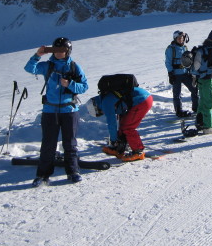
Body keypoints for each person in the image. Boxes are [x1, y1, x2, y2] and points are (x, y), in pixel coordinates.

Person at [24, 37, 88, 186]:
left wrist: (70, 84)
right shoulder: (48, 66)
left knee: (70, 144)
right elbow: (29, 68)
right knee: (48, 144)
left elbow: (84, 86)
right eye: (57, 50)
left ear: (68, 51)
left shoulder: (74, 67)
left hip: (69, 110)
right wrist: (38, 55)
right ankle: (43, 175)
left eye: (62, 50)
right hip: (50, 110)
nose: (59, 53)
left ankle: (73, 172)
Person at [96, 83, 153, 162]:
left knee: (128, 127)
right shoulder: (106, 97)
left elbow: (112, 124)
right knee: (124, 124)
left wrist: (113, 141)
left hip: (142, 100)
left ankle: (138, 151)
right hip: (143, 97)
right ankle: (120, 148)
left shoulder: (105, 103)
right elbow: (121, 111)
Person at [194, 29, 212, 134]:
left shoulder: (201, 49)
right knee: (209, 102)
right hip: (207, 79)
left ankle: (199, 120)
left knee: (202, 100)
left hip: (200, 78)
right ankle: (207, 126)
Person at [165, 30, 198, 117]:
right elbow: (168, 62)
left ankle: (196, 107)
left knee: (194, 89)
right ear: (175, 39)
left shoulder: (185, 48)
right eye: (179, 38)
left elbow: (188, 61)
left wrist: (191, 71)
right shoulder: (171, 49)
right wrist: (170, 73)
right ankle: (179, 111)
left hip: (185, 73)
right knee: (177, 94)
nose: (181, 40)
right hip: (176, 74)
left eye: (182, 38)